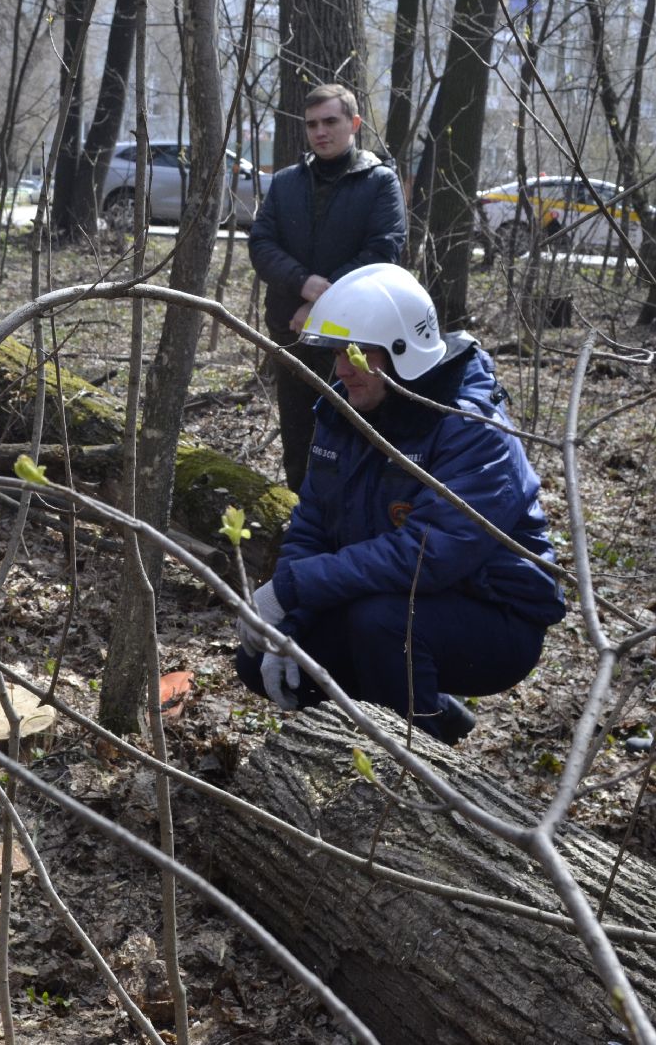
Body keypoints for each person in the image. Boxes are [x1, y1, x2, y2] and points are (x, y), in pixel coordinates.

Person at [234, 263, 566, 742]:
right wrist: (292, 621)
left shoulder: (472, 429)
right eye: (336, 354)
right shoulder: (344, 409)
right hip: (391, 599)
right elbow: (314, 524)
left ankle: (419, 760)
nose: (341, 369)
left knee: (382, 624)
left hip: (497, 615)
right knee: (257, 657)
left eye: (355, 353)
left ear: (400, 353)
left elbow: (426, 556)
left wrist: (292, 588)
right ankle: (398, 724)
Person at [248, 83, 408, 489]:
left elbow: (383, 251)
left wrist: (323, 305)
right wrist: (303, 284)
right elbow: (262, 244)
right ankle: (298, 523)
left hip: (358, 337)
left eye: (330, 121)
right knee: (299, 438)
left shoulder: (379, 182)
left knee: (356, 432)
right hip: (292, 332)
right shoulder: (286, 183)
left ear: (353, 124)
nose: (320, 132)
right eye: (312, 124)